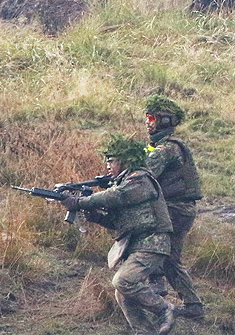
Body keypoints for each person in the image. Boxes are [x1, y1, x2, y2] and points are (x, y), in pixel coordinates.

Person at [62, 133, 176, 335]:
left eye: (112, 160)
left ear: (126, 161)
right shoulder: (124, 182)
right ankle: (144, 331)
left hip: (152, 243)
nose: (108, 164)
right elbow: (117, 221)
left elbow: (116, 196)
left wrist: (79, 202)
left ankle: (164, 308)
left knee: (122, 281)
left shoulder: (139, 179)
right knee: (122, 292)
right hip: (137, 244)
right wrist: (96, 217)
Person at [143, 95, 204, 320]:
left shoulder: (167, 149)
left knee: (144, 241)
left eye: (152, 118)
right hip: (179, 209)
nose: (148, 123)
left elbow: (144, 176)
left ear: (165, 121)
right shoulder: (162, 146)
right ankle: (193, 306)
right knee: (171, 258)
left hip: (174, 209)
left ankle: (154, 284)